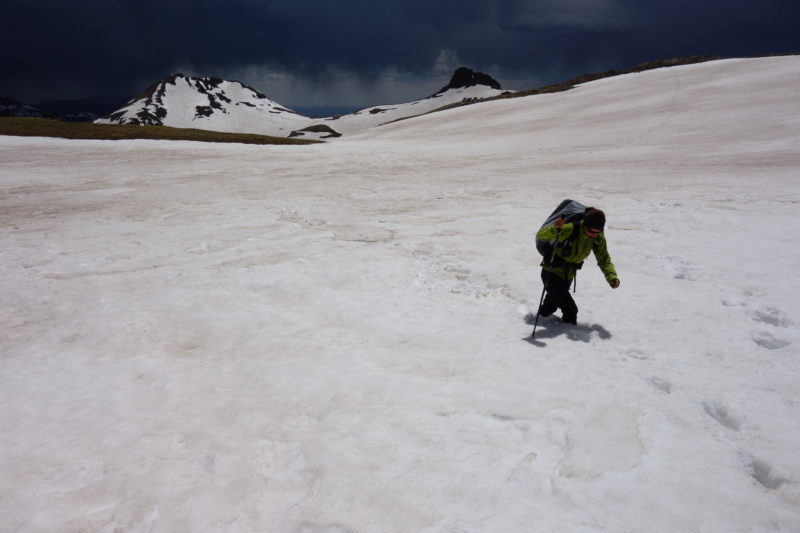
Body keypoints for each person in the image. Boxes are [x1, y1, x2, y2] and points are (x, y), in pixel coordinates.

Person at [536, 207, 620, 325]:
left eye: (598, 232)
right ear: (585, 225)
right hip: (551, 272)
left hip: (568, 275)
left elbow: (603, 258)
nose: (595, 235)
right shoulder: (570, 229)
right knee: (571, 310)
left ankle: (542, 316)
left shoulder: (597, 237)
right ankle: (567, 333)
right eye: (592, 232)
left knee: (550, 306)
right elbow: (541, 235)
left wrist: (612, 276)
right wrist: (555, 229)